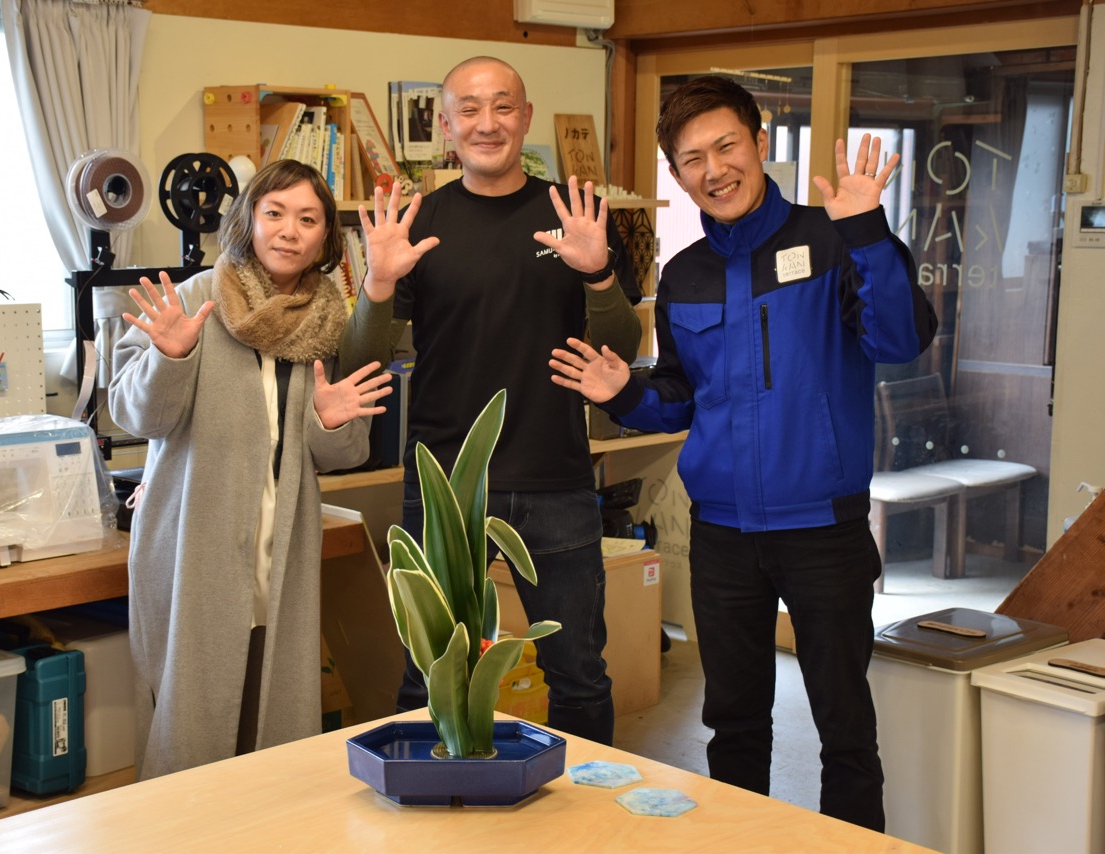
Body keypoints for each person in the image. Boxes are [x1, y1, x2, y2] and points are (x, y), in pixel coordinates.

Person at [549, 75, 938, 830]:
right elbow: (681, 393)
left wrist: (869, 232)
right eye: (692, 158)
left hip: (823, 529)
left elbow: (901, 340)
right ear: (677, 172)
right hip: (724, 536)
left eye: (727, 145)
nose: (713, 169)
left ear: (760, 143)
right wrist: (621, 393)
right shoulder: (684, 272)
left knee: (845, 730)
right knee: (733, 727)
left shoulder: (833, 240)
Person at [340, 56, 643, 747]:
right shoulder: (423, 221)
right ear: (446, 126)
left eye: (503, 107)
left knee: (579, 674)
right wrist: (378, 284)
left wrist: (597, 273)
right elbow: (358, 363)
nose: (487, 123)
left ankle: (581, 822)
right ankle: (429, 810)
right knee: (428, 674)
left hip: (557, 480)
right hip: (447, 486)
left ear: (526, 118)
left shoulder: (572, 215)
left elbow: (622, 343)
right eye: (469, 109)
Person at [108, 159, 392, 779]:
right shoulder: (193, 302)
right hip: (195, 542)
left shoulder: (330, 324)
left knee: (269, 718)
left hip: (280, 547)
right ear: (249, 220)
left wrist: (335, 421)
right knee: (190, 716)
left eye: (308, 218)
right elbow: (135, 415)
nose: (289, 230)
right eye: (275, 213)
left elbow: (344, 456)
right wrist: (169, 355)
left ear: (325, 239)